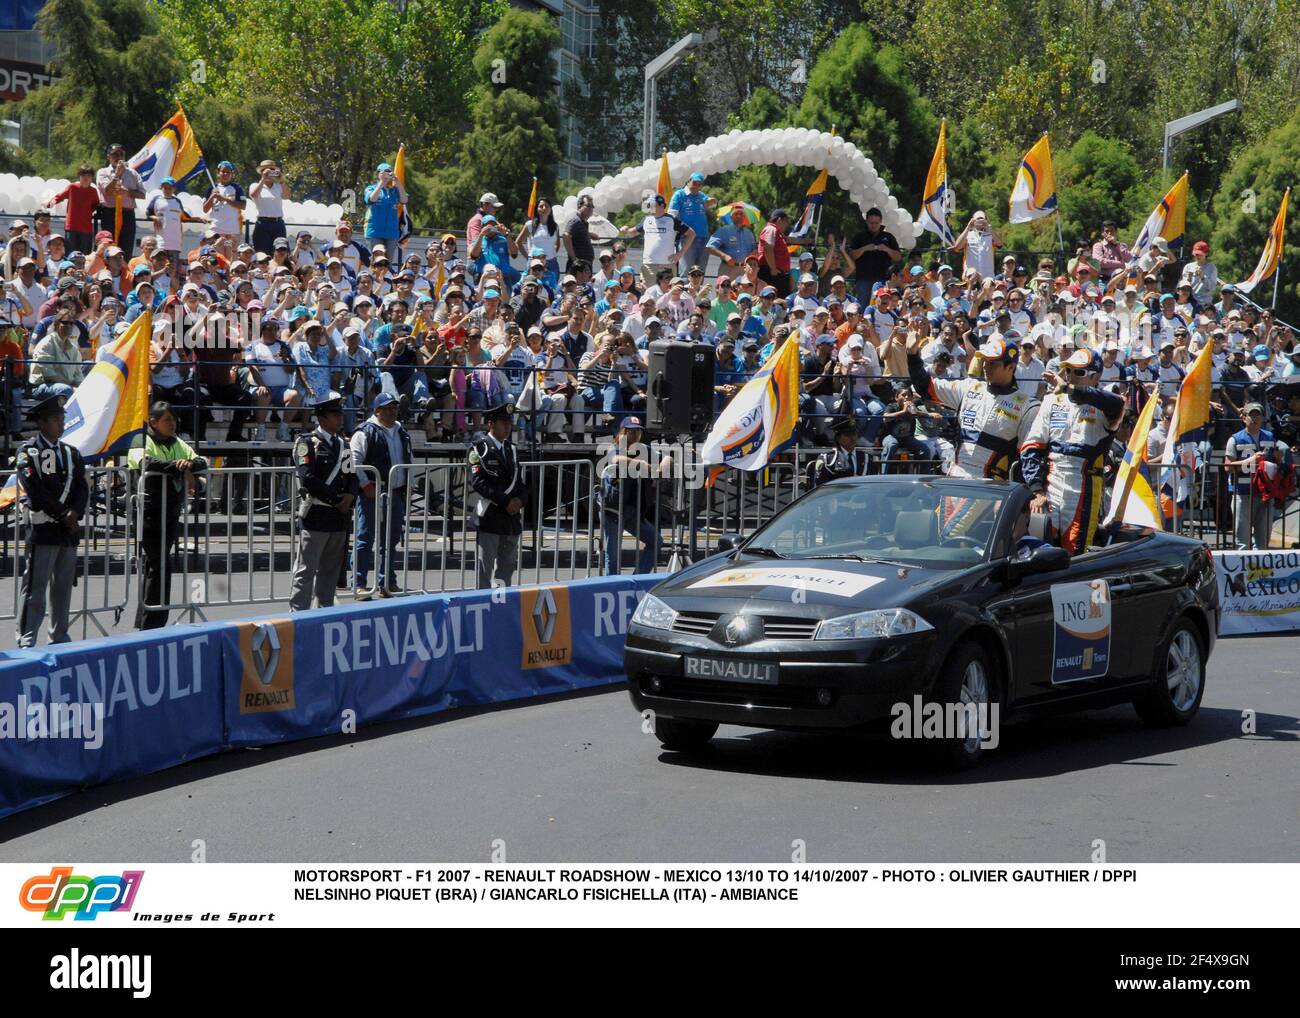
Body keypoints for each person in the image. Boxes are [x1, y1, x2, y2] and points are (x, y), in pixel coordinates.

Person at [1024, 349, 1126, 556]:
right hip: (1051, 483)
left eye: (1078, 372)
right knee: (1039, 547)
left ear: (1096, 377)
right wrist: (1036, 489)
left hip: (1085, 485)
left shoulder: (1108, 405)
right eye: (1068, 370)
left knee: (1075, 551)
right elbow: (1031, 446)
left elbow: (1119, 403)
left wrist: (1070, 389)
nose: (1070, 376)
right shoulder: (1052, 401)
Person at [907, 333, 1043, 484]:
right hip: (955, 480)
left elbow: (1027, 455)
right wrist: (912, 356)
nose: (985, 366)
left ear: (1010, 367)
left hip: (993, 489)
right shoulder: (969, 387)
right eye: (984, 361)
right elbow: (925, 387)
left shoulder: (1027, 406)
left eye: (993, 363)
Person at [14, 396, 88, 647]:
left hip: (68, 531)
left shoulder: (71, 453)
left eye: (62, 418)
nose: (61, 423)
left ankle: (59, 636)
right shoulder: (28, 452)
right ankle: (27, 638)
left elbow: (82, 487)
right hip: (44, 528)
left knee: (63, 588)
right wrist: (62, 514)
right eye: (56, 419)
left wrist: (75, 513)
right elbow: (34, 488)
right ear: (43, 422)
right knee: (35, 587)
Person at [129, 402, 207, 629]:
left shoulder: (177, 442)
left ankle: (152, 618)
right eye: (167, 420)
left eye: (173, 419)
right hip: (149, 512)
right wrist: (178, 466)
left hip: (170, 511)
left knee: (162, 564)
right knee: (157, 564)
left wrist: (189, 463)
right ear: (153, 422)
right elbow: (146, 463)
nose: (172, 424)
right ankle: (151, 621)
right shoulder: (140, 439)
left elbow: (201, 462)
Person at [289, 393, 358, 611]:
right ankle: (298, 614)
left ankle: (326, 612)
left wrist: (350, 496)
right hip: (317, 516)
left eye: (340, 414)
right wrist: (337, 499)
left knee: (330, 571)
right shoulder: (307, 443)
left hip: (338, 518)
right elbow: (308, 478)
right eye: (335, 414)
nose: (340, 418)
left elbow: (351, 476)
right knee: (306, 570)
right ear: (322, 417)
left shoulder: (343, 445)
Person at [350, 391, 413, 598]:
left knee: (391, 538)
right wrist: (365, 484)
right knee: (365, 538)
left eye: (395, 408)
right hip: (372, 493)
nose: (393, 412)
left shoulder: (401, 431)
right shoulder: (364, 432)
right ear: (377, 411)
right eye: (388, 408)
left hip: (395, 493)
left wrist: (408, 484)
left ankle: (386, 583)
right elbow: (353, 462)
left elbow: (408, 458)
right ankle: (359, 583)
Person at [470, 401, 529, 589]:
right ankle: (483, 603)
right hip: (491, 516)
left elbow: (519, 482)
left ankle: (502, 602)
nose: (507, 426)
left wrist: (520, 500)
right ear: (491, 424)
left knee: (507, 566)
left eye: (509, 422)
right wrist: (505, 501)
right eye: (503, 422)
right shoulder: (480, 448)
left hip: (510, 519)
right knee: (485, 568)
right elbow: (478, 482)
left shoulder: (511, 449)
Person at [599, 417, 666, 575]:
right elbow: (616, 459)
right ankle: (613, 588)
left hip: (632, 510)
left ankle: (637, 580)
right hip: (613, 511)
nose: (635, 434)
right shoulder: (615, 447)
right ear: (622, 432)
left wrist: (662, 467)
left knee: (655, 541)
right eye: (630, 431)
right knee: (613, 558)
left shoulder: (644, 448)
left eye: (638, 431)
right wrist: (644, 465)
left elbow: (667, 457)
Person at [1224, 402, 1277, 550]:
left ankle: (1260, 572)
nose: (1255, 418)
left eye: (1258, 414)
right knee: (1242, 540)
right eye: (1251, 414)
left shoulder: (1270, 436)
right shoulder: (1235, 439)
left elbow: (1275, 460)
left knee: (1263, 540)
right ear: (1243, 417)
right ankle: (1243, 572)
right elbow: (1227, 467)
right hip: (1242, 492)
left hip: (1265, 493)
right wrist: (1250, 460)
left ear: (1262, 417)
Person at [95, 143, 146, 256]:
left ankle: (124, 271)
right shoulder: (103, 172)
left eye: (121, 154)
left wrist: (127, 192)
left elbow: (142, 194)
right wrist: (117, 175)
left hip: (127, 214)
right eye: (114, 154)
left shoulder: (133, 173)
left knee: (126, 247)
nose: (118, 157)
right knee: (109, 245)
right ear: (108, 156)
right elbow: (107, 191)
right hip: (109, 213)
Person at [848, 207, 902, 306]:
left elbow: (898, 257)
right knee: (863, 307)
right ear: (867, 221)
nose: (874, 225)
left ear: (881, 221)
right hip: (864, 279)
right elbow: (852, 256)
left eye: (876, 223)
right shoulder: (859, 236)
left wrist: (887, 249)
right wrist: (864, 248)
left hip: (884, 279)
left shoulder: (888, 237)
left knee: (883, 306)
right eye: (871, 223)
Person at [808, 415, 869, 487]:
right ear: (838, 438)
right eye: (848, 435)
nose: (852, 438)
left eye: (854, 434)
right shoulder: (828, 460)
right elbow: (821, 486)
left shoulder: (866, 458)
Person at [364, 162, 407, 262]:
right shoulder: (371, 188)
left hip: (391, 233)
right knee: (376, 261)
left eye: (390, 172)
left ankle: (386, 277)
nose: (388, 174)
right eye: (385, 172)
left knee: (388, 262)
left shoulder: (395, 190)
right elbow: (371, 199)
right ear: (378, 174)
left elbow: (404, 200)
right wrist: (381, 183)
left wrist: (397, 182)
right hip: (374, 232)